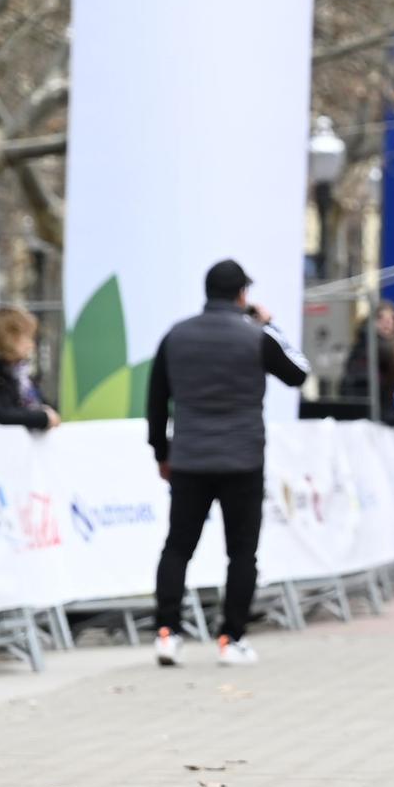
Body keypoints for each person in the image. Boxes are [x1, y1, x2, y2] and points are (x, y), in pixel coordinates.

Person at [145, 260, 310, 667]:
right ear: (242, 295)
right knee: (241, 554)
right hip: (242, 460)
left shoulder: (176, 335)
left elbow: (156, 401)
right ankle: (230, 639)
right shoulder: (256, 336)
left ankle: (167, 633)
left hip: (189, 459)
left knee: (177, 547)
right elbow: (298, 373)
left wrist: (161, 453)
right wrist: (270, 325)